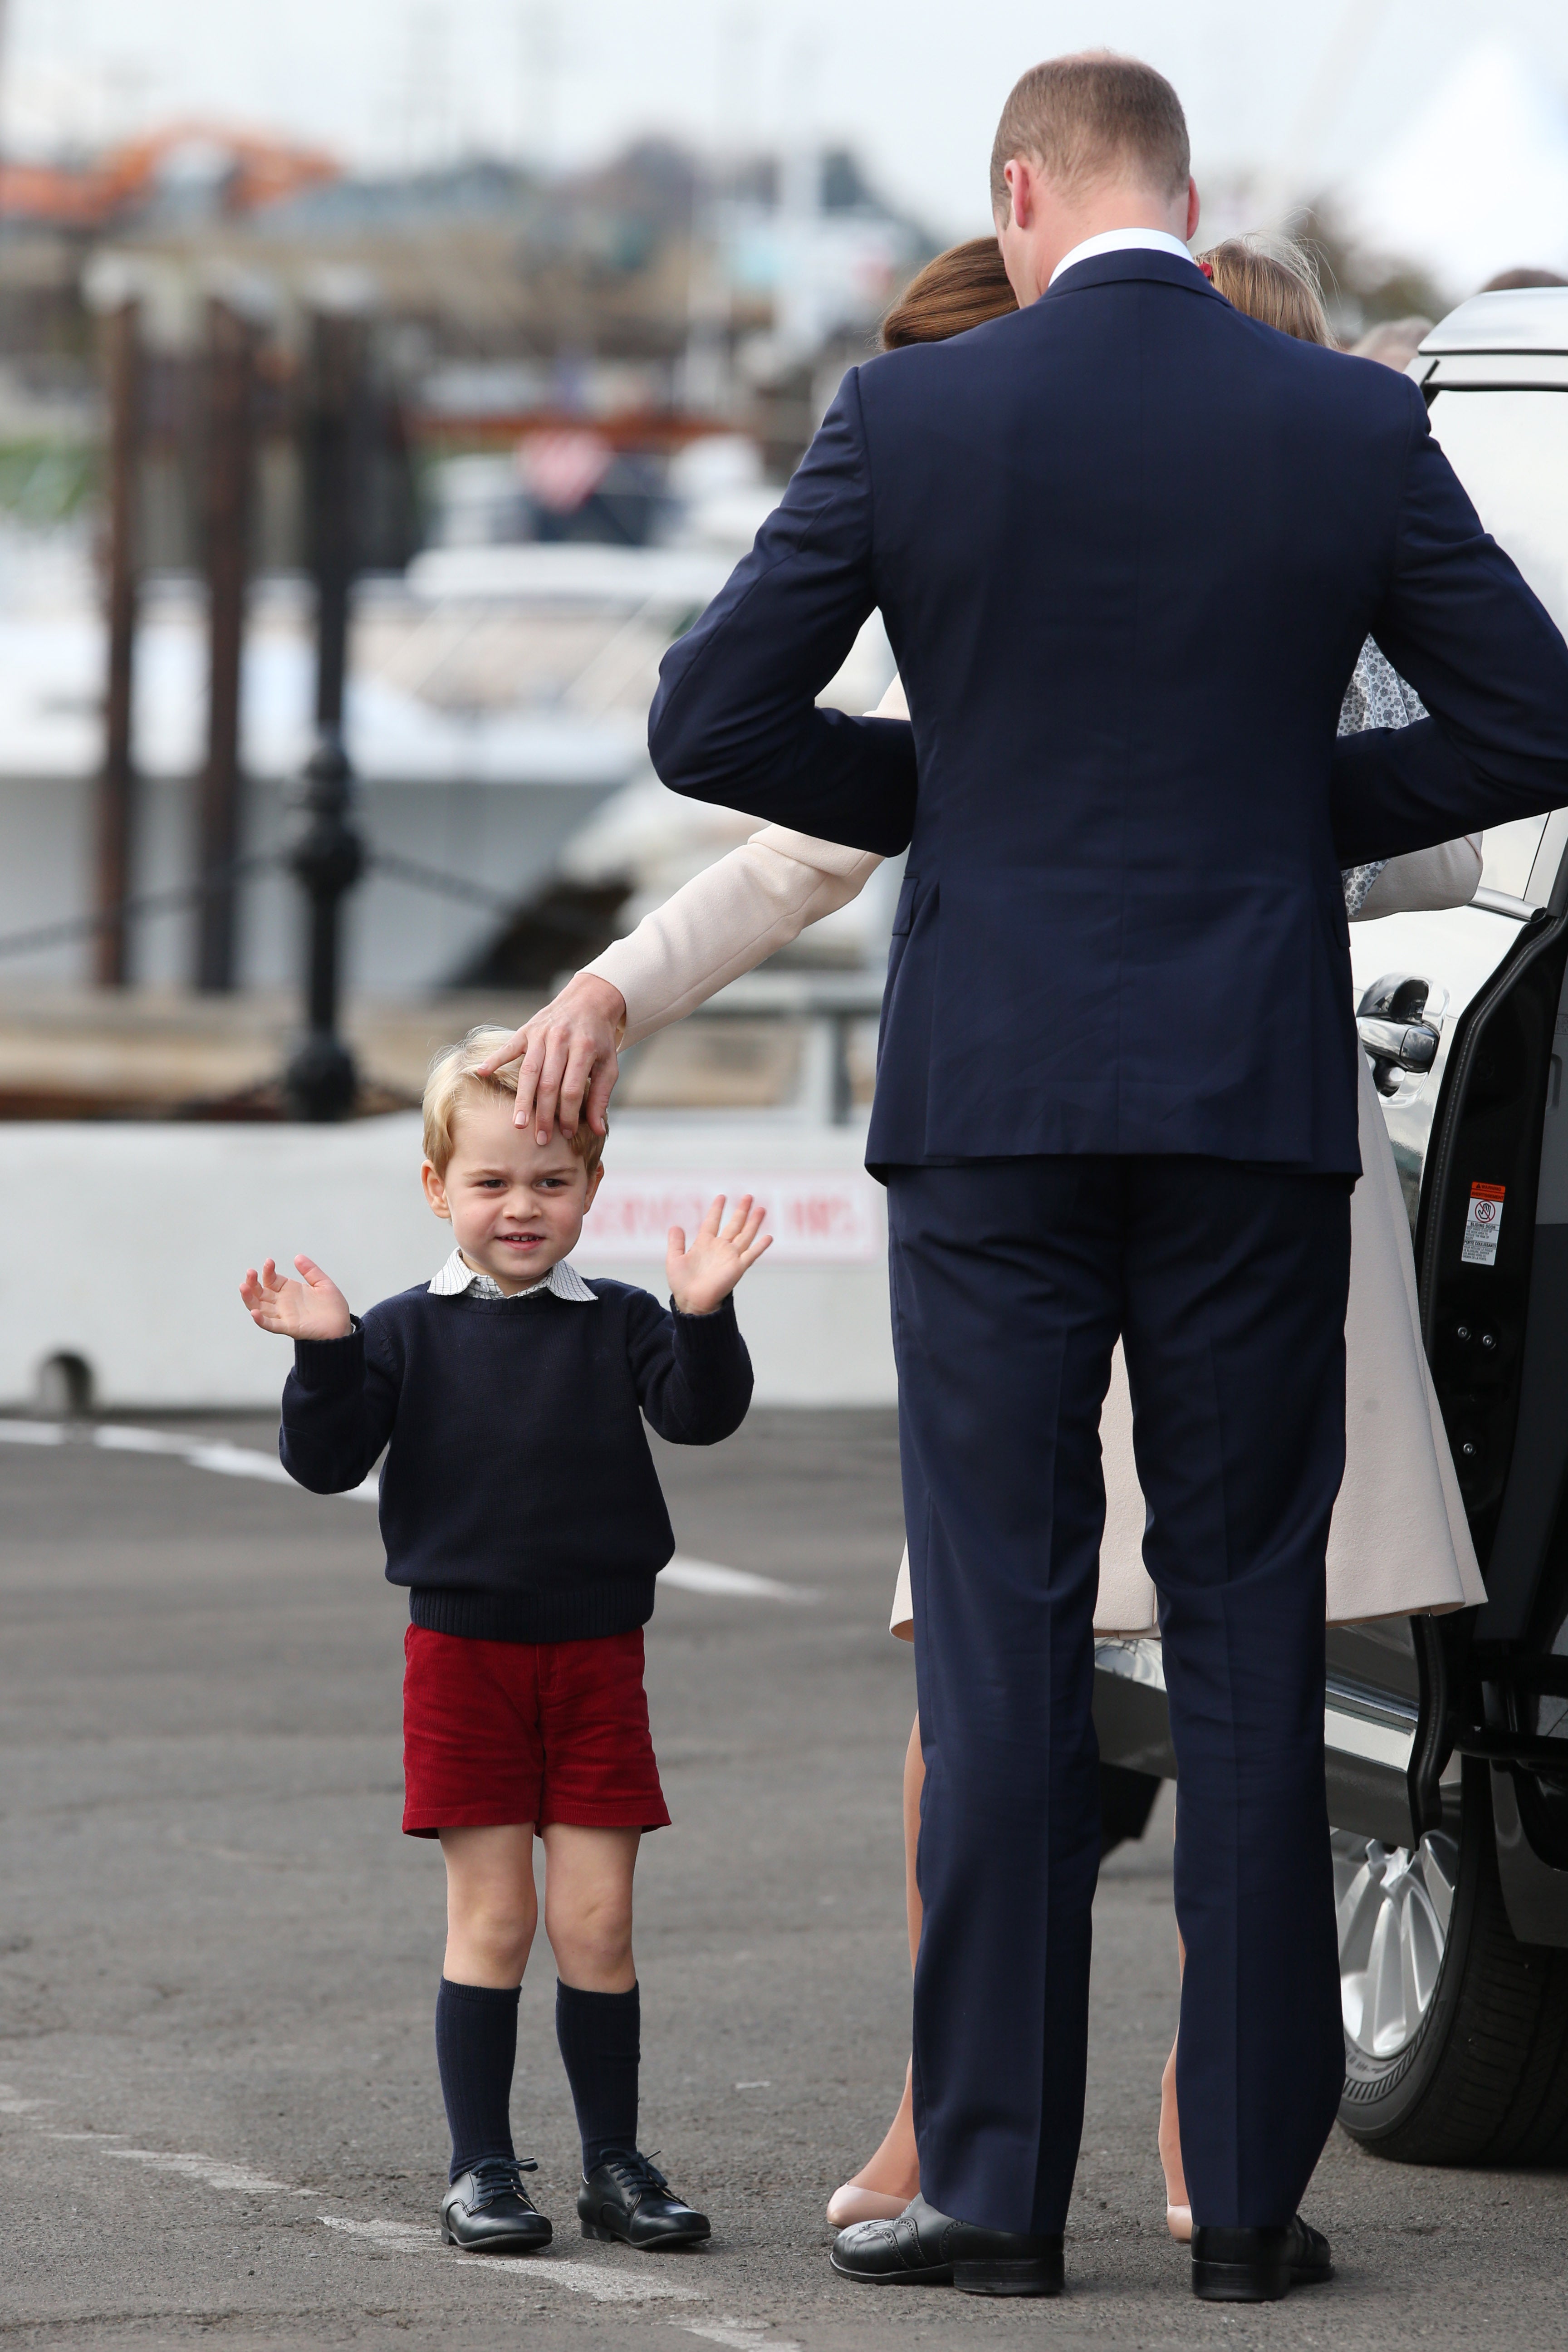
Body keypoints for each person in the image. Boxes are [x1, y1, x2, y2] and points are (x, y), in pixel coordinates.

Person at [639, 47, 1568, 2306]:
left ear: (1024, 194)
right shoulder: (1347, 420)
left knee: (1004, 1634)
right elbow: (1533, 727)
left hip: (998, 1109)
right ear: (1183, 192)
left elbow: (709, 723)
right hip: (1246, 1100)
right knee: (1247, 1635)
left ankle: (988, 2194)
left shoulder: (915, 417)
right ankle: (1246, 2208)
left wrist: (968, 780)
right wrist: (1267, 813)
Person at [238, 1029, 769, 2256]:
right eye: (490, 1182)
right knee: (493, 1922)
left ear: (591, 1184)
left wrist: (705, 1315)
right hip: (462, 1664)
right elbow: (323, 1466)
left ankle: (614, 2167)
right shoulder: (400, 1331)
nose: (521, 1207)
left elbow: (701, 1415)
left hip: (599, 1661)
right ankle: (481, 2170)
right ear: (437, 1189)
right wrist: (323, 1354)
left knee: (598, 1926)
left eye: (551, 1181)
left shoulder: (628, 1317)